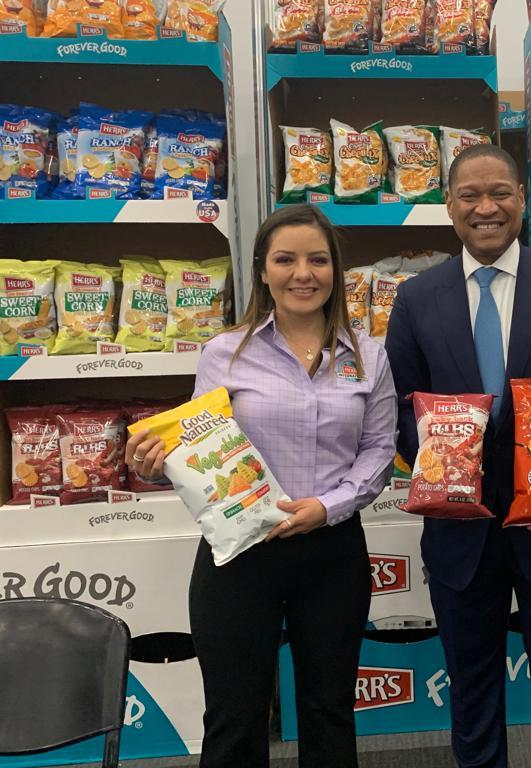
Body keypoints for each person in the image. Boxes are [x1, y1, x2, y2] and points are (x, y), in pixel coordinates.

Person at [125, 204, 398, 768]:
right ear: (263, 269)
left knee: (328, 712)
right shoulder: (226, 351)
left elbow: (377, 453)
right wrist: (160, 464)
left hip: (331, 551)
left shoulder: (370, 356)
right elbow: (202, 449)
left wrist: (328, 507)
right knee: (234, 715)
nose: (304, 273)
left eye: (318, 260)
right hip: (240, 552)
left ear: (336, 270)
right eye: (286, 259)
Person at [385, 143, 531, 768]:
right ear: (449, 206)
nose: (485, 207)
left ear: (524, 201)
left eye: (500, 194)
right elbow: (402, 408)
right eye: (469, 195)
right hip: (458, 533)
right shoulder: (417, 298)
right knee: (471, 688)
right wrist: (442, 475)